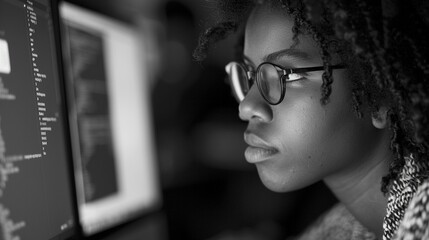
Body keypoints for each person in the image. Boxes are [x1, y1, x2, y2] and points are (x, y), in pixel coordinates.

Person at [193, 0, 429, 239]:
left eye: (287, 76)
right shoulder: (340, 226)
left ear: (378, 92)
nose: (247, 107)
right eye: (251, 75)